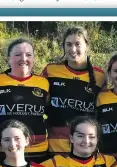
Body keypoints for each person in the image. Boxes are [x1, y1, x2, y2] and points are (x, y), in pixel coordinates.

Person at [0, 38, 51, 165]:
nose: (23, 58)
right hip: (4, 151)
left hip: (38, 151)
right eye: (17, 54)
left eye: (28, 55)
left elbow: (51, 113)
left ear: (33, 58)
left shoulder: (43, 83)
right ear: (8, 58)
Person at [42, 26, 106, 155]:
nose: (73, 49)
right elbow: (38, 103)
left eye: (78, 44)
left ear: (87, 46)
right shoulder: (51, 70)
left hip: (85, 147)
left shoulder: (99, 76)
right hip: (55, 147)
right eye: (68, 44)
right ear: (63, 46)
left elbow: (103, 111)